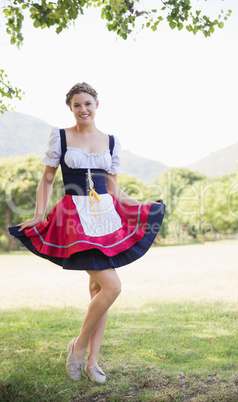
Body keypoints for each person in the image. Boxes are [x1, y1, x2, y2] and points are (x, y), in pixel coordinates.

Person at [9, 82, 165, 384]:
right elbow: (48, 179)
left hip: (106, 216)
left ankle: (93, 361)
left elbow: (114, 189)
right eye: (77, 105)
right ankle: (78, 348)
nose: (83, 109)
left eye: (88, 104)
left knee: (99, 291)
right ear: (71, 108)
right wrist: (39, 215)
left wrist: (141, 204)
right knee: (112, 288)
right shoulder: (61, 137)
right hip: (75, 218)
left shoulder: (111, 141)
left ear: (97, 105)